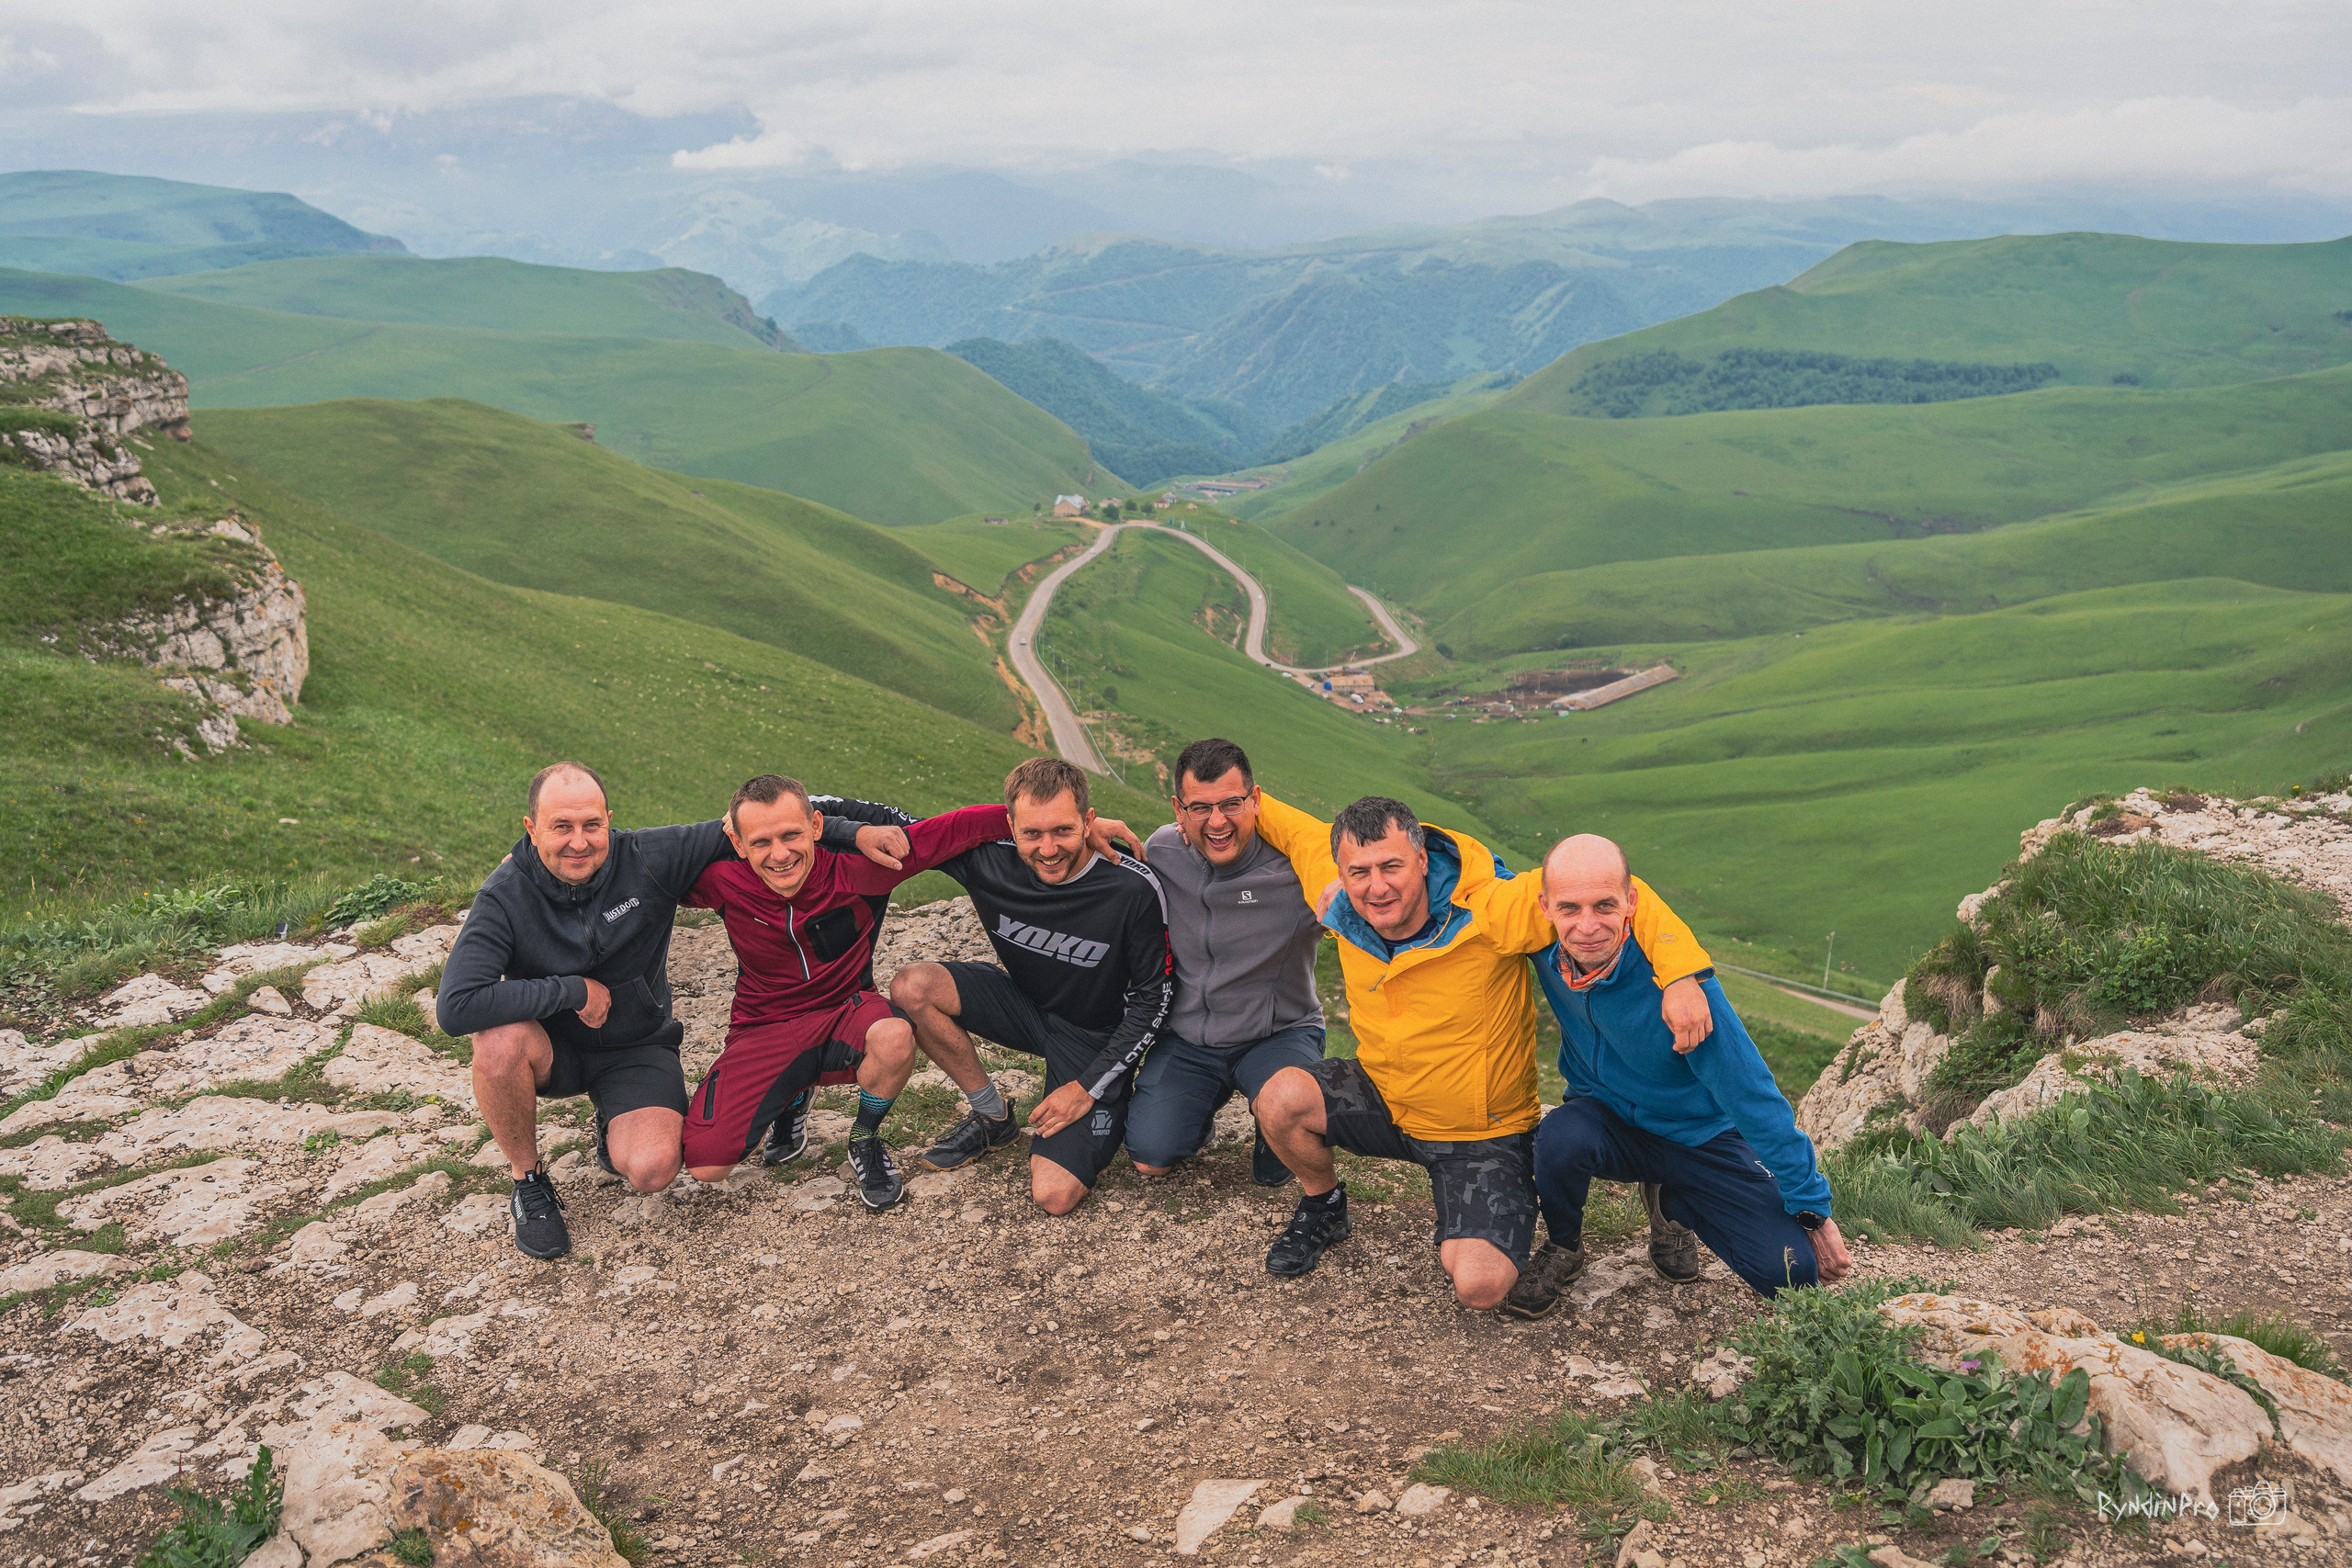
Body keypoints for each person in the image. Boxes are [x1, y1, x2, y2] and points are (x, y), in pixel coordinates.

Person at [1249, 794, 1716, 1309]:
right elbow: (1282, 823)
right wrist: (1217, 812)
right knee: (1278, 1099)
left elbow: (1626, 893)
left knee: (1479, 1286)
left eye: (1392, 866)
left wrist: (1680, 976)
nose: (1376, 886)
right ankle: (1326, 1205)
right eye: (1359, 871)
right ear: (1340, 866)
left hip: (1481, 1131)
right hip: (1388, 1096)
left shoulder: (1494, 906)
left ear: (1423, 859)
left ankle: (1487, 1220)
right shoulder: (1339, 887)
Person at [436, 761, 890, 1259]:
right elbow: (457, 1006)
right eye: (561, 827)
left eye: (592, 825)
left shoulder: (650, 856)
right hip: (552, 1049)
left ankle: (612, 1123)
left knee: (653, 1170)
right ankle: (529, 1182)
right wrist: (569, 990)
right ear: (531, 829)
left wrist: (856, 831)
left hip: (635, 1047)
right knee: (497, 1041)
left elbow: (760, 826)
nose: (579, 841)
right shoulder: (505, 893)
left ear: (609, 818)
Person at [1502, 834, 1850, 1319]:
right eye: (1570, 907)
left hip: (1699, 1137)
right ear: (1544, 906)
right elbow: (1474, 877)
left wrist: (1810, 1206)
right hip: (1609, 1121)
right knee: (1559, 1136)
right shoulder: (1545, 948)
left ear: (1632, 903)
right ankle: (1564, 1247)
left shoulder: (1682, 989)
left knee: (1792, 1274)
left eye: (1605, 905)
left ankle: (1672, 1203)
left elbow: (1752, 1095)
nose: (1587, 926)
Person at [678, 775, 1014, 1211]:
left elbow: (956, 829)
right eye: (761, 842)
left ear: (817, 826)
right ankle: (793, 1095)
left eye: (792, 835)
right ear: (737, 843)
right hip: (763, 1027)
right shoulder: (721, 879)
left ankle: (864, 1138)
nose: (780, 855)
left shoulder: (863, 864)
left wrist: (1069, 825)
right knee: (707, 1165)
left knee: (894, 1036)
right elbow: (644, 874)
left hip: (847, 1011)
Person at [890, 757, 1171, 1215]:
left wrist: (1087, 1088)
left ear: (1089, 822)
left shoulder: (1131, 887)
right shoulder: (989, 859)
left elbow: (1153, 1000)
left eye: (1063, 830)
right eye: (1031, 833)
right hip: (1027, 1006)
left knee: (1054, 1196)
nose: (1047, 849)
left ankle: (1118, 1108)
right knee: (912, 987)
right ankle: (992, 1115)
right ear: (1009, 826)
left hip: (1094, 1038)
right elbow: (900, 828)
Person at [1126, 738, 1324, 1187]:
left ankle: (1272, 1115)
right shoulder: (1162, 851)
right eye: (1200, 808)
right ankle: (1197, 1109)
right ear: (1179, 810)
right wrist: (1088, 833)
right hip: (1190, 1040)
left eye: (1231, 804)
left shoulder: (1296, 871)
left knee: (1280, 1167)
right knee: (1150, 1156)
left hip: (1278, 1034)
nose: (1217, 822)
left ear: (1255, 800)